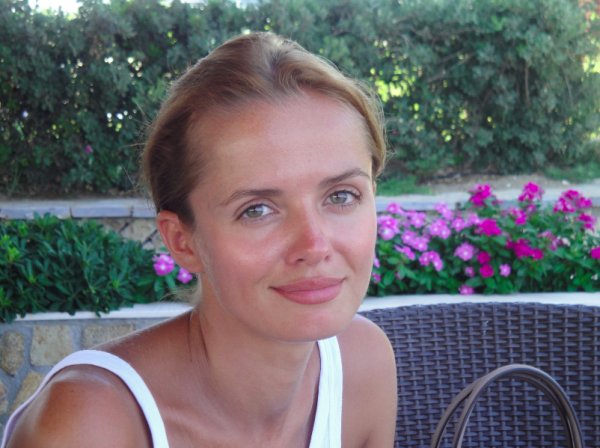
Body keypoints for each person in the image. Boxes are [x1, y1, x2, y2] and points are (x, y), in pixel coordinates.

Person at [2, 32, 397, 447]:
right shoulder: (91, 424)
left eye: (341, 196)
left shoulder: (362, 366)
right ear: (182, 241)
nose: (314, 246)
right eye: (257, 210)